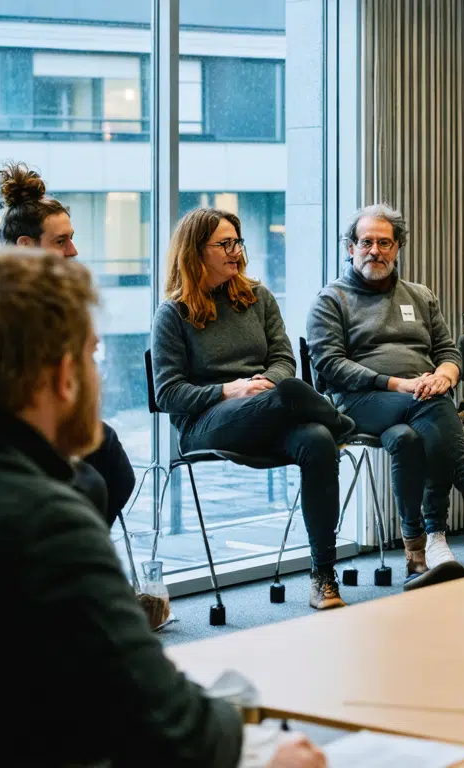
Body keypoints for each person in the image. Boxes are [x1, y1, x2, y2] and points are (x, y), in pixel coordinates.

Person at [0, 249, 325, 767]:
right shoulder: (42, 520)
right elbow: (166, 723)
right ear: (63, 376)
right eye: (92, 356)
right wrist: (260, 752)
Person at [152, 208, 354, 611]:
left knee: (315, 439)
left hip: (267, 407)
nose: (235, 251)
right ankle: (343, 423)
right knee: (295, 393)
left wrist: (263, 386)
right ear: (196, 252)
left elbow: (283, 360)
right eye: (224, 244)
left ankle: (323, 575)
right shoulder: (172, 314)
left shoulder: (258, 298)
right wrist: (229, 390)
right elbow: (168, 394)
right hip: (206, 423)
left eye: (237, 242)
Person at [308, 204, 464, 589]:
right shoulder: (331, 299)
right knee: (432, 405)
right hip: (358, 402)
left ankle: (417, 555)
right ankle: (463, 484)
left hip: (415, 404)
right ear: (350, 248)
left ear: (398, 247)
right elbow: (329, 366)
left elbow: (448, 351)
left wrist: (445, 375)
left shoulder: (419, 296)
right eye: (366, 242)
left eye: (384, 243)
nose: (375, 251)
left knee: (409, 436)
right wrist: (395, 383)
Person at [0, 160, 136, 527]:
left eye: (71, 238)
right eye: (61, 241)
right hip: (8, 434)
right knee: (94, 470)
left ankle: (74, 551)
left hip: (50, 424)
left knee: (112, 464)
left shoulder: (58, 300)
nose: (73, 250)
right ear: (26, 246)